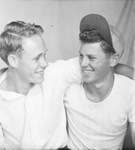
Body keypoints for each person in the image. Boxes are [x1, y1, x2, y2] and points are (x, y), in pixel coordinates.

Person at [0, 20, 134, 149]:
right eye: (37, 58)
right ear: (13, 61)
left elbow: (102, 66)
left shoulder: (54, 74)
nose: (45, 63)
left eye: (44, 55)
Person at [64, 14, 135, 150]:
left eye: (91, 58)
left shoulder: (130, 91)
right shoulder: (68, 86)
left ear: (113, 60)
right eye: (81, 56)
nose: (83, 64)